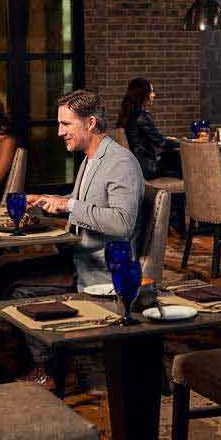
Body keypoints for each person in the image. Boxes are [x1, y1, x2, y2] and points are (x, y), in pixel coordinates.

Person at [29, 90, 144, 290]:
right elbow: (82, 201)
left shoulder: (120, 162)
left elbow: (123, 223)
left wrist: (69, 204)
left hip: (97, 273)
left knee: (8, 284)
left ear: (90, 123)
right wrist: (44, 200)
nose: (60, 132)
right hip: (76, 259)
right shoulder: (91, 157)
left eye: (66, 124)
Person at [116, 78, 167, 179]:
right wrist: (184, 143)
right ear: (143, 94)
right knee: (179, 160)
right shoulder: (141, 117)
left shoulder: (129, 115)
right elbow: (161, 143)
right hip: (146, 168)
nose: (154, 95)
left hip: (136, 166)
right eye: (151, 91)